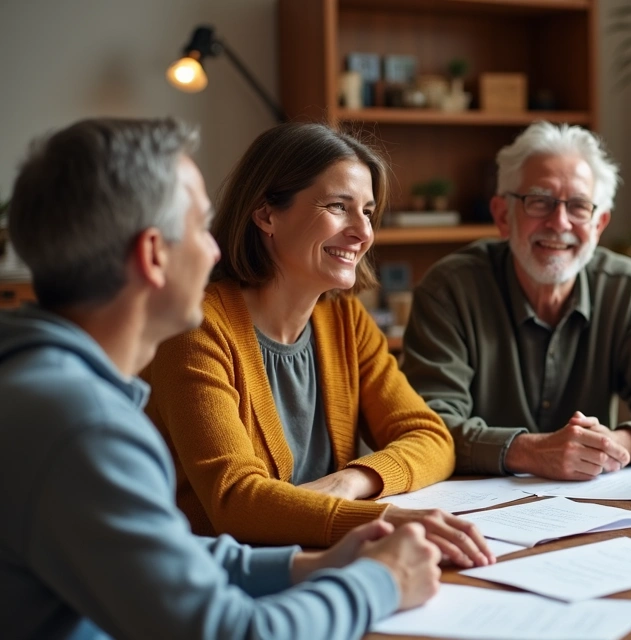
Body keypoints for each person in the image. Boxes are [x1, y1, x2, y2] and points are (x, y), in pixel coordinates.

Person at [0, 117, 442, 639]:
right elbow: (232, 633)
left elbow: (164, 551)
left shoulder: (50, 391)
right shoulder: (87, 428)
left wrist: (307, 566)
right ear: (152, 254)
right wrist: (381, 580)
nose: (214, 249)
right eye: (198, 226)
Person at [143, 122, 492, 567]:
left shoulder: (344, 318)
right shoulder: (197, 329)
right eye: (338, 207)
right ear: (266, 214)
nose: (362, 231)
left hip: (319, 563)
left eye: (367, 211)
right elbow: (236, 503)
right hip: (216, 584)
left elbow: (430, 437)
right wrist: (381, 519)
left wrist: (350, 482)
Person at [402, 122, 631, 479]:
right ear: (503, 215)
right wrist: (531, 452)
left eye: (579, 207)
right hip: (470, 518)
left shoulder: (626, 290)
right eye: (540, 202)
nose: (560, 222)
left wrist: (617, 445)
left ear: (599, 225)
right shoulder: (450, 290)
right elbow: (426, 426)